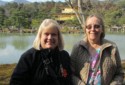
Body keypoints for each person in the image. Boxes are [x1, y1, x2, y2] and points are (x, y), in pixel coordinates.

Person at [10, 19, 72, 85]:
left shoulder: (64, 55)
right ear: (40, 36)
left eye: (53, 34)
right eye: (46, 34)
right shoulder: (29, 57)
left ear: (58, 37)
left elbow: (68, 80)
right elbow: (16, 82)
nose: (50, 38)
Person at [71, 14, 124, 85]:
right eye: (89, 27)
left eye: (97, 26)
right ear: (85, 29)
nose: (92, 29)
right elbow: (71, 73)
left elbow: (119, 73)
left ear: (102, 29)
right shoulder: (78, 47)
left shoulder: (112, 47)